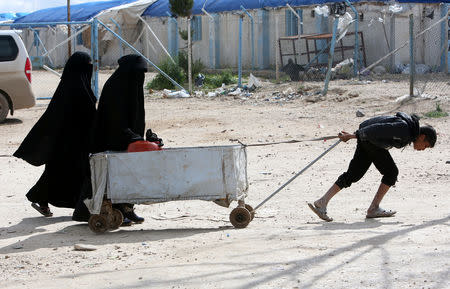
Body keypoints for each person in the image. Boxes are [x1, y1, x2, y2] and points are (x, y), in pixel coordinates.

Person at [308, 112, 436, 222]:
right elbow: (379, 129)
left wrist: (357, 134)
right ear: (422, 137)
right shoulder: (404, 129)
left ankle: (322, 202)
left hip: (368, 139)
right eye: (425, 145)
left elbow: (375, 127)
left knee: (354, 174)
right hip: (370, 139)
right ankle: (373, 208)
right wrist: (353, 136)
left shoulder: (408, 129)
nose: (422, 149)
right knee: (391, 173)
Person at [14, 52, 96, 217]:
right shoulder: (75, 89)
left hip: (72, 143)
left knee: (64, 173)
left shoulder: (70, 87)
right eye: (87, 65)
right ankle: (45, 199)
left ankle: (52, 201)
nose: (90, 69)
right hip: (69, 143)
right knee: (63, 173)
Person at [90, 54, 150, 225]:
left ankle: (127, 208)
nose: (141, 77)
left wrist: (140, 136)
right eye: (138, 73)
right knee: (115, 176)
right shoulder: (116, 86)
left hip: (129, 140)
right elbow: (114, 119)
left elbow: (136, 116)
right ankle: (115, 211)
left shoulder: (132, 86)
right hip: (112, 140)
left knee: (130, 173)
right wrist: (130, 135)